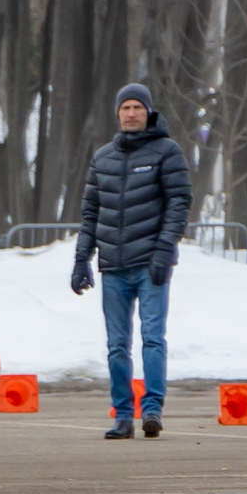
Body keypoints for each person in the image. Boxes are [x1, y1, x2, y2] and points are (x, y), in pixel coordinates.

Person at [71, 81, 191, 439]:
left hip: (151, 264)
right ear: (118, 112)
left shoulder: (167, 152)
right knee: (116, 346)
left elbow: (179, 204)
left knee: (153, 337)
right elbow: (90, 211)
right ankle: (123, 415)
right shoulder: (103, 157)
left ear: (149, 111)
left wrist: (164, 249)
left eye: (138, 107)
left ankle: (151, 409)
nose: (132, 113)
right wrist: (82, 259)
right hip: (114, 268)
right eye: (126, 107)